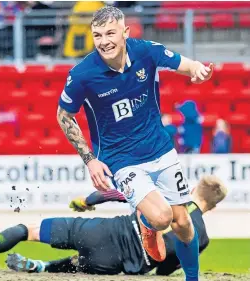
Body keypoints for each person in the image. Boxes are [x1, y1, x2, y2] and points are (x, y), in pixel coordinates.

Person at [56, 6, 214, 281]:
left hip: (161, 151)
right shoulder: (82, 74)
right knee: (162, 217)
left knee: (184, 224)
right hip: (122, 160)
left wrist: (197, 70)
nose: (103, 41)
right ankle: (146, 224)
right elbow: (63, 116)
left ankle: (193, 279)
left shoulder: (146, 52)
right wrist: (90, 159)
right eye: (97, 35)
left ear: (125, 33)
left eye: (110, 33)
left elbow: (185, 65)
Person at [0, 175, 227, 276]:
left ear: (193, 189)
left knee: (29, 229)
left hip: (104, 231)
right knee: (81, 264)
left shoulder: (167, 198)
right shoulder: (201, 239)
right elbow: (165, 267)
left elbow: (120, 192)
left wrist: (89, 200)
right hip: (123, 263)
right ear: (213, 206)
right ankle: (42, 269)